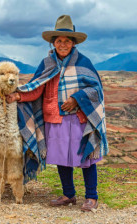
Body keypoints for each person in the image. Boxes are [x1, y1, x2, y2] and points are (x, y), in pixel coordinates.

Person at [6, 15, 108, 212]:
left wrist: (77, 98)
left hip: (79, 119)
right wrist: (18, 97)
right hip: (55, 118)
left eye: (67, 41)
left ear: (73, 43)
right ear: (54, 42)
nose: (63, 44)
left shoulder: (83, 63)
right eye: (59, 41)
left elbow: (96, 89)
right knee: (62, 158)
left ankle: (91, 197)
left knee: (86, 158)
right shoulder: (47, 63)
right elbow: (37, 87)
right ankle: (69, 194)